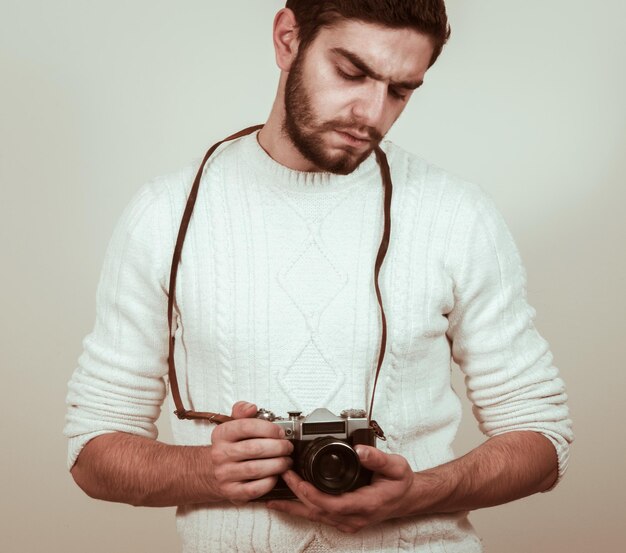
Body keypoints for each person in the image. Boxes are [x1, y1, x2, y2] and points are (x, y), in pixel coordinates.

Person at [64, 1, 573, 552]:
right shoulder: (164, 214)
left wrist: (419, 492)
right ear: (288, 40)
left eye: (401, 90)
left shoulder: (456, 214)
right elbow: (93, 453)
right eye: (351, 73)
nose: (372, 113)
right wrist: (210, 470)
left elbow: (541, 442)